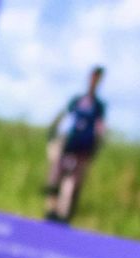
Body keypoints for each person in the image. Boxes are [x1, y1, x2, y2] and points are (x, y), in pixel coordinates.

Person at [44, 66, 107, 225]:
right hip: (69, 144)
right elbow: (62, 118)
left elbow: (100, 130)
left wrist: (94, 150)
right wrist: (52, 138)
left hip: (81, 149)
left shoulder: (98, 106)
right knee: (56, 179)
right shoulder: (78, 101)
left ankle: (61, 216)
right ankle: (53, 212)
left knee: (70, 184)